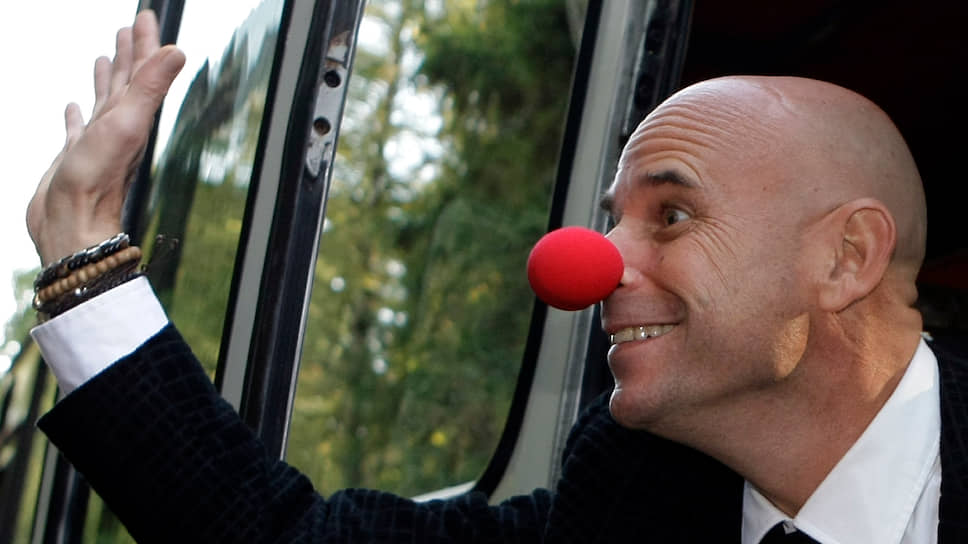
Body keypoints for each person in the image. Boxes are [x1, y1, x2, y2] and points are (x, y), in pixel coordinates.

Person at [26, 10, 968, 544]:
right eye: (613, 217)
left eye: (673, 215)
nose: (592, 264)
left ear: (847, 258)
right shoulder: (632, 498)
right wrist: (81, 254)